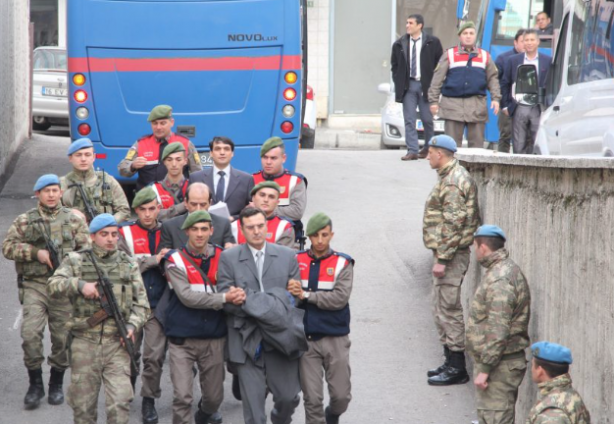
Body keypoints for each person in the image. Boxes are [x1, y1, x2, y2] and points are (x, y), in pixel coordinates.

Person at [48, 214, 150, 424]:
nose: (111, 239)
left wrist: (132, 325)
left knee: (120, 404)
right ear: (92, 236)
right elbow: (53, 285)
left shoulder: (128, 264)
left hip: (117, 344)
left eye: (114, 234)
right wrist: (78, 285)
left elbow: (142, 305)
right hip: (85, 343)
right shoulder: (76, 260)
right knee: (83, 408)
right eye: (104, 234)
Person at [2, 174, 90, 409]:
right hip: (35, 284)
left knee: (62, 339)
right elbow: (7, 247)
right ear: (37, 193)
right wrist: (35, 253)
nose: (51, 194)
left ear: (60, 192)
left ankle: (56, 383)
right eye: (46, 191)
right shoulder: (25, 220)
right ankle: (35, 384)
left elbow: (87, 252)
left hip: (63, 286)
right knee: (30, 334)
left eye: (55, 190)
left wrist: (72, 265)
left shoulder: (73, 220)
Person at [217, 207, 306, 424]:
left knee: (287, 398)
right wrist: (273, 303)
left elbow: (293, 299)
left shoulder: (287, 256)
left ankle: (279, 418)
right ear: (242, 230)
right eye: (251, 227)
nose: (256, 231)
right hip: (246, 340)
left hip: (281, 338)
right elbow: (227, 301)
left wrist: (249, 298)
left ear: (266, 226)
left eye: (260, 226)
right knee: (255, 414)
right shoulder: (228, 258)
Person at [161, 210, 245, 424]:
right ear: (186, 231)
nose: (199, 234)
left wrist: (235, 294)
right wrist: (224, 297)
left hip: (214, 339)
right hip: (182, 339)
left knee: (214, 398)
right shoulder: (174, 259)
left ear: (212, 231)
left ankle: (204, 414)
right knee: (182, 397)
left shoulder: (224, 257)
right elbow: (188, 297)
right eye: (195, 229)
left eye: (204, 229)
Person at [423, 135, 480, 385]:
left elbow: (453, 224)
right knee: (441, 308)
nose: (427, 156)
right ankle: (449, 360)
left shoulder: (455, 181)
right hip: (448, 254)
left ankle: (457, 368)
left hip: (452, 255)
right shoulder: (449, 176)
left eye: (430, 152)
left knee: (449, 309)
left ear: (441, 154)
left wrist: (443, 259)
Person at [288, 213, 354, 424]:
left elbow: (339, 299)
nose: (319, 240)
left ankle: (333, 414)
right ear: (308, 236)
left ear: (331, 235)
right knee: (312, 399)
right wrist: (292, 291)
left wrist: (306, 295)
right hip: (306, 339)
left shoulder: (343, 263)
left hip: (335, 337)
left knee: (341, 396)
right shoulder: (296, 261)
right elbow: (288, 297)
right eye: (315, 235)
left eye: (324, 235)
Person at [466, 225, 530, 424]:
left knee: (495, 417)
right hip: (501, 362)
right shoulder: (503, 269)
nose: (474, 251)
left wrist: (485, 369)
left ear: (483, 247)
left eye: (475, 246)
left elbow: (498, 330)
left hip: (499, 366)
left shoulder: (499, 279)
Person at [117, 187, 169, 424]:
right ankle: (128, 387)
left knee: (154, 356)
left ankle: (149, 399)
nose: (148, 214)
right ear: (135, 210)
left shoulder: (168, 231)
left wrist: (147, 262)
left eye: (152, 208)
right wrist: (153, 260)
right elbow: (124, 269)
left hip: (159, 305)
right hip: (132, 304)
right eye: (143, 210)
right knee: (130, 352)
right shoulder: (123, 232)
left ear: (158, 208)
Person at [428, 21, 501, 148]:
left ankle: (476, 169)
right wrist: (433, 101)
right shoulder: (449, 54)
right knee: (451, 147)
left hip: (476, 106)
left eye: (471, 33)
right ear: (460, 36)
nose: (468, 36)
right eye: (465, 33)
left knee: (477, 147)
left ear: (475, 36)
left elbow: (493, 79)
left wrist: (496, 98)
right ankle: (452, 168)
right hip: (452, 106)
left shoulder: (485, 56)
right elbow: (437, 79)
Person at [390, 14, 443, 160]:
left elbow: (440, 65)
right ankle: (412, 150)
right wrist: (398, 81)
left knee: (427, 119)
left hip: (426, 85)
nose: (407, 25)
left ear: (420, 25)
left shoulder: (433, 42)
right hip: (409, 85)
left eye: (411, 23)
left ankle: (428, 148)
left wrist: (436, 85)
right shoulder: (399, 44)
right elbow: (394, 66)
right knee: (409, 119)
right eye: (406, 23)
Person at [118, 105, 202, 190]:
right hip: (148, 200)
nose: (158, 127)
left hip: (176, 198)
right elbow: (122, 170)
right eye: (155, 123)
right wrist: (132, 166)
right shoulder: (141, 144)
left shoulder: (185, 143)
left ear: (172, 122)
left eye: (163, 123)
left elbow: (198, 174)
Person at [501, 29, 552, 154]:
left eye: (532, 40)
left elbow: (551, 83)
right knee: (519, 144)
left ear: (538, 41)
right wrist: (505, 105)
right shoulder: (513, 60)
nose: (529, 43)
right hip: (519, 105)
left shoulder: (548, 61)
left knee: (537, 141)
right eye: (526, 40)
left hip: (538, 106)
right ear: (522, 42)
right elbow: (505, 83)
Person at [60, 138, 131, 223]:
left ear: (93, 157)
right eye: (78, 155)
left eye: (87, 155)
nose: (83, 159)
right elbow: (51, 213)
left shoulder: (108, 180)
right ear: (70, 158)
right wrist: (70, 213)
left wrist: (107, 223)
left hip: (104, 233)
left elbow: (124, 211)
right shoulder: (62, 184)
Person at [190, 136, 255, 221]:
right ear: (211, 153)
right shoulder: (196, 178)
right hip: (203, 229)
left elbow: (251, 211)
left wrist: (233, 218)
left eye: (226, 149)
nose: (222, 152)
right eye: (217, 149)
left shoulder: (247, 180)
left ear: (232, 153)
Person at [526, 341, 591, 423]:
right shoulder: (570, 394)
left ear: (540, 371)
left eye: (532, 365)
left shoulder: (552, 412)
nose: (531, 370)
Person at [159, 183, 235, 250]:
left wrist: (230, 249)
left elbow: (230, 255)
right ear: (186, 202)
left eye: (203, 205)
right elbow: (163, 258)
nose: (198, 209)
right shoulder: (169, 227)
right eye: (194, 204)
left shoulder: (223, 224)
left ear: (210, 203)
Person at [253, 137, 307, 222]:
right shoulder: (252, 179)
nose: (268, 162)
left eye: (273, 158)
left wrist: (263, 209)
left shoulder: (295, 181)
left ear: (284, 158)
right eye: (265, 157)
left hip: (287, 232)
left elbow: (297, 212)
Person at [232, 182, 295, 248]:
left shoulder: (284, 227)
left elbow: (283, 255)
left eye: (271, 197)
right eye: (262, 195)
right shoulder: (235, 225)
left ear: (277, 202)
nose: (266, 200)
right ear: (253, 198)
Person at [494, 29, 525, 153]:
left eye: (528, 40)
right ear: (515, 43)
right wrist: (503, 104)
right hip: (507, 104)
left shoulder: (532, 58)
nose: (526, 44)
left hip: (525, 105)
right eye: (523, 41)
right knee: (505, 136)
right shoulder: (503, 59)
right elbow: (496, 81)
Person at [151, 143, 190, 221]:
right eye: (169, 160)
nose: (174, 164)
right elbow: (153, 215)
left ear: (185, 161)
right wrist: (181, 207)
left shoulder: (192, 185)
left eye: (178, 159)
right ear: (164, 162)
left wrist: (167, 213)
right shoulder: (155, 188)